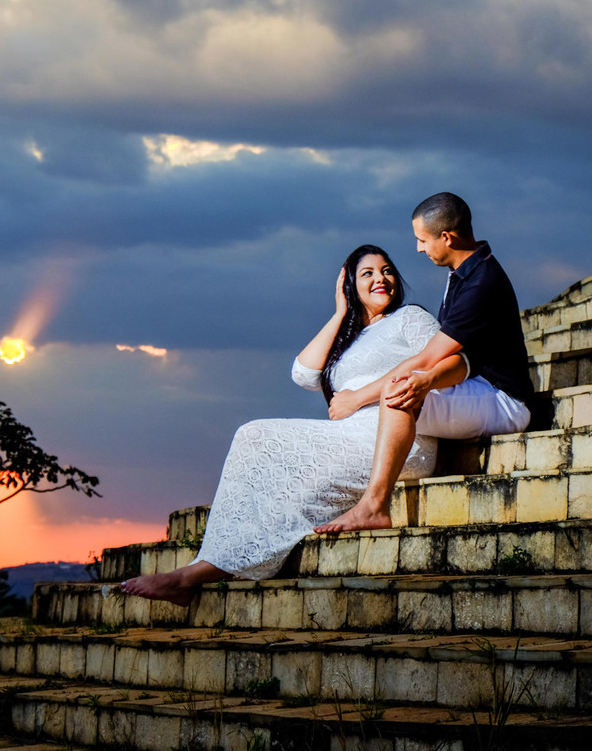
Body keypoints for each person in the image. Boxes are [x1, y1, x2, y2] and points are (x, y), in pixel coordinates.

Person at [119, 244, 467, 605]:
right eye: (367, 273)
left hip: (396, 436)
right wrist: (340, 312)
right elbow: (303, 373)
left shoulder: (409, 317)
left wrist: (359, 396)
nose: (381, 279)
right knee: (253, 438)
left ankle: (189, 576)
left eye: (387, 270)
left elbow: (440, 361)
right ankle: (201, 568)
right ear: (350, 284)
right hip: (349, 435)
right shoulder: (349, 337)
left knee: (260, 441)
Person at [314, 192, 533, 534]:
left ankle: (373, 506)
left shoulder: (482, 282)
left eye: (422, 239)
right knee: (402, 388)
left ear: (447, 238)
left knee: (396, 391)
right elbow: (449, 361)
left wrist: (357, 397)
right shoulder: (464, 270)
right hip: (472, 385)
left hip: (504, 400)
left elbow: (430, 356)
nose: (418, 248)